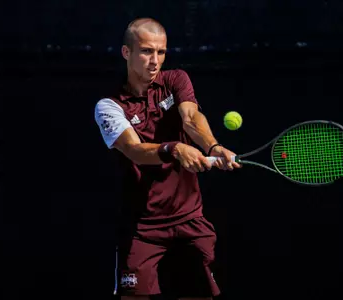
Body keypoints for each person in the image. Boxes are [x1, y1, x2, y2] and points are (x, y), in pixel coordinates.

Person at [94, 18, 241, 300]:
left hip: (189, 219)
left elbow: (190, 118)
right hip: (141, 228)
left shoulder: (175, 80)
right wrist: (174, 149)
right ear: (127, 53)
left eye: (161, 52)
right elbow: (134, 150)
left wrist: (212, 147)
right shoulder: (109, 106)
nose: (155, 61)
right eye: (147, 51)